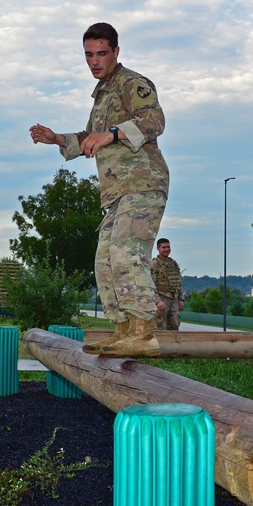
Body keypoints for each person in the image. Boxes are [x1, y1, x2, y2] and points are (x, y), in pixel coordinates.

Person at [29, 22, 168, 357]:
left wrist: (111, 134)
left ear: (116, 52)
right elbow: (88, 136)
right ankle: (123, 330)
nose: (94, 61)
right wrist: (57, 139)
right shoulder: (103, 95)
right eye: (89, 55)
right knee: (105, 260)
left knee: (125, 251)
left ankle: (145, 332)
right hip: (119, 193)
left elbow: (154, 121)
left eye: (101, 54)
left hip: (144, 184)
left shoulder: (132, 83)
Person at [151, 238, 185, 330]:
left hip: (174, 298)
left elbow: (178, 281)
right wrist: (157, 301)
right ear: (158, 248)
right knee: (160, 326)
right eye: (164, 247)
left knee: (175, 323)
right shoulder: (154, 264)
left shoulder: (173, 263)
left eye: (168, 247)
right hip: (162, 297)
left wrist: (181, 298)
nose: (167, 249)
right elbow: (151, 284)